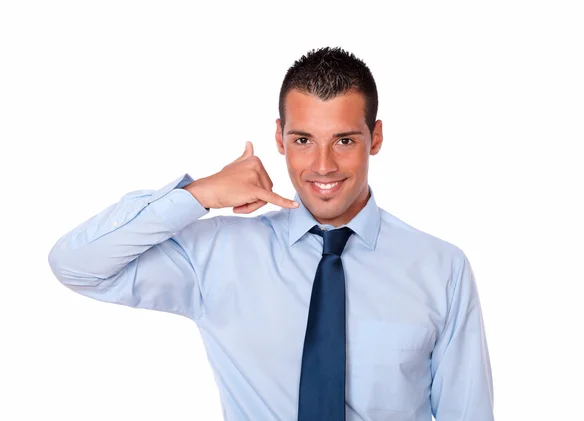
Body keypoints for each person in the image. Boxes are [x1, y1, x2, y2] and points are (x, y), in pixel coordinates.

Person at [48, 47, 494, 421]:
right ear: (279, 137)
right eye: (303, 140)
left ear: (374, 138)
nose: (322, 166)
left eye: (344, 140)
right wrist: (196, 195)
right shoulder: (220, 254)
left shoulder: (441, 268)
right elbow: (78, 265)